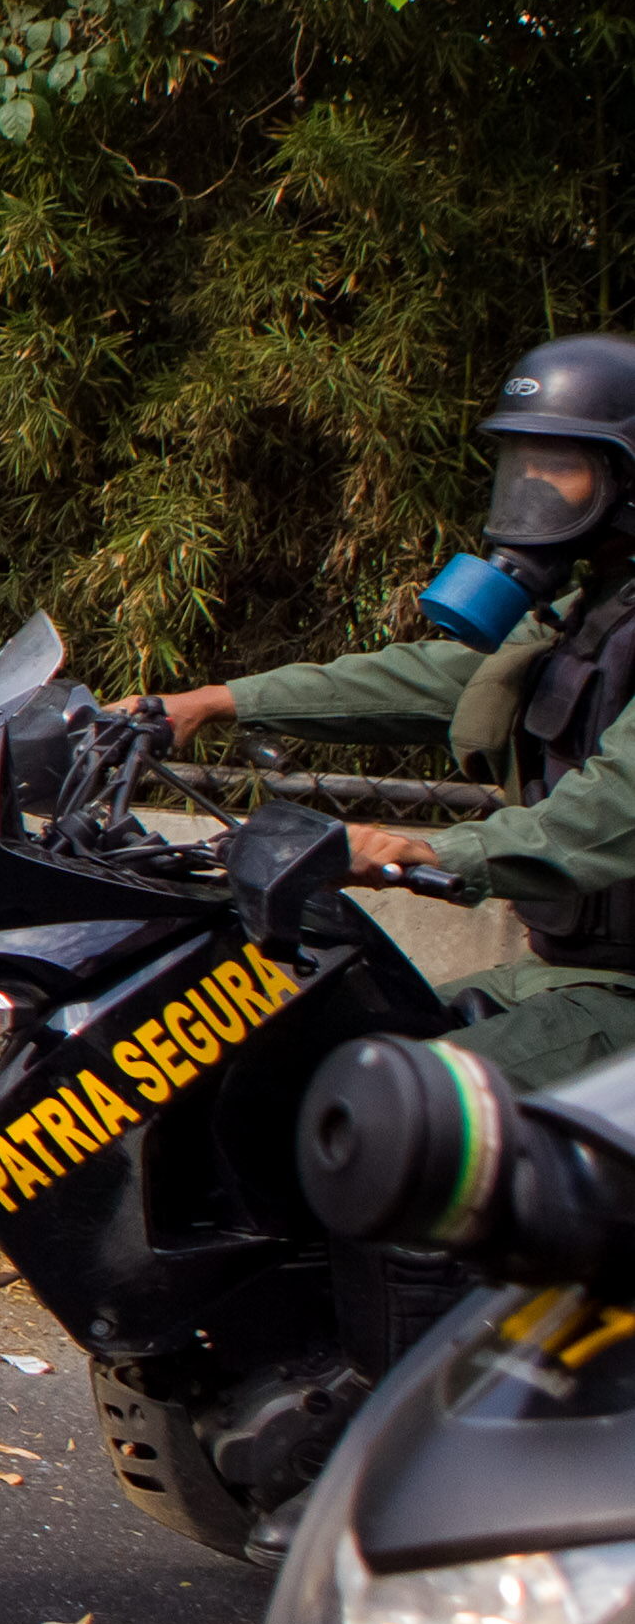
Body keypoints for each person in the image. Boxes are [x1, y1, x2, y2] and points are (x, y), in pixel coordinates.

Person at [130, 333, 635, 1088]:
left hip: (621, 1004)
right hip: (557, 976)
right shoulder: (589, 610)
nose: (527, 492)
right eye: (517, 465)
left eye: (556, 467)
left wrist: (428, 851)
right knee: (302, 1055)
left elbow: (608, 811)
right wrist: (213, 701)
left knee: (378, 1116)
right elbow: (445, 677)